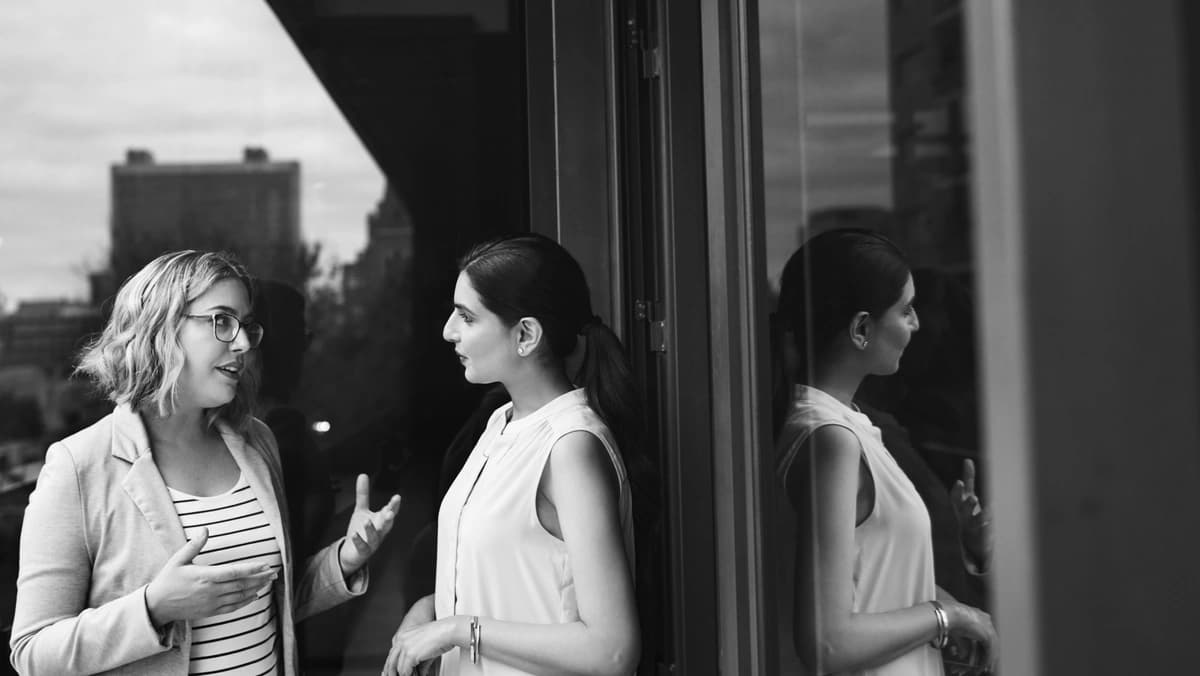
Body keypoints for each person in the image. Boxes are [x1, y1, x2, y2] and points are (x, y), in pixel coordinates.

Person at [9, 250, 402, 676]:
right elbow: (33, 653)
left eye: (247, 325)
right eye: (221, 321)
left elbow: (266, 598)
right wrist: (154, 607)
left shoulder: (255, 442)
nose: (244, 343)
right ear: (160, 328)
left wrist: (343, 560)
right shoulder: (78, 466)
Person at [383, 233, 641, 675]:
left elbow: (612, 650)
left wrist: (458, 630)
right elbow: (511, 574)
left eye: (466, 316)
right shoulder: (501, 422)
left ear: (525, 334)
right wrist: (431, 610)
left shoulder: (570, 447)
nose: (448, 331)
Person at [773, 229, 997, 675]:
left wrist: (965, 564)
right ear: (861, 328)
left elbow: (869, 581)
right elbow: (828, 642)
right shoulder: (831, 439)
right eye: (906, 309)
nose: (916, 323)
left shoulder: (845, 426)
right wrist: (949, 615)